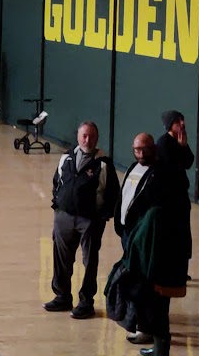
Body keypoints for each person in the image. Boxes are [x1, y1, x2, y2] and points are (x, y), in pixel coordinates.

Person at [113, 133, 191, 356]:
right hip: (132, 237)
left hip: (150, 242)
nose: (140, 154)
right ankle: (147, 332)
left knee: (155, 297)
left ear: (154, 149)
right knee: (141, 292)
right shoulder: (133, 168)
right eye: (136, 150)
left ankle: (159, 347)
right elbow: (125, 197)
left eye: (144, 149)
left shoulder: (164, 175)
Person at [45, 122, 120, 319]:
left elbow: (113, 194)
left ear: (97, 138)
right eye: (84, 136)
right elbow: (57, 183)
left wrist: (101, 216)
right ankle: (62, 296)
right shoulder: (66, 158)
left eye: (92, 136)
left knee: (89, 261)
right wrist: (58, 205)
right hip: (64, 217)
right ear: (78, 137)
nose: (88, 140)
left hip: (90, 221)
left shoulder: (103, 164)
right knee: (61, 258)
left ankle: (86, 302)